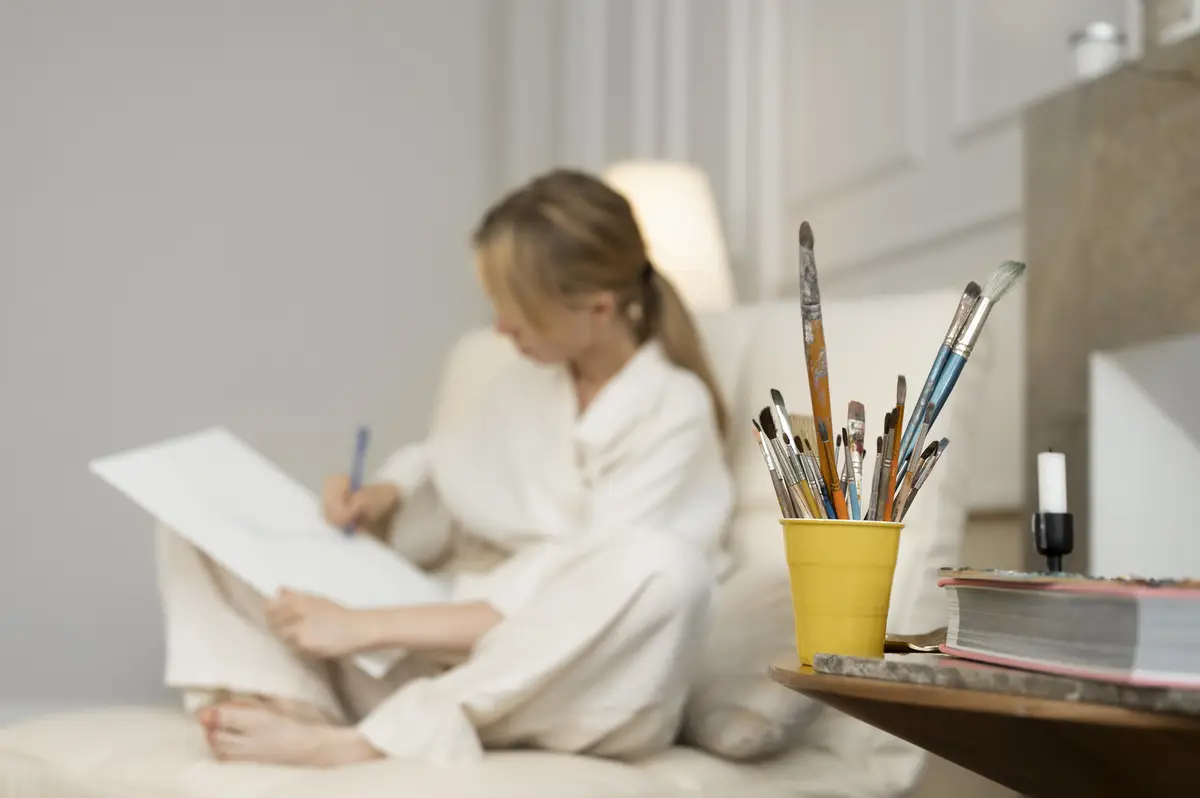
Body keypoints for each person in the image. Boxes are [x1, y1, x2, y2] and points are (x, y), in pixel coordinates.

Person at [157, 168, 736, 768]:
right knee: (195, 521)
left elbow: (588, 592)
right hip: (451, 662)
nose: (501, 327)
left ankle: (363, 743)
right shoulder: (524, 384)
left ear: (599, 309)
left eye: (521, 311)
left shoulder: (673, 408)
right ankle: (292, 707)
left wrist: (368, 626)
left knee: (664, 567)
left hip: (575, 685)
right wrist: (383, 500)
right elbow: (444, 474)